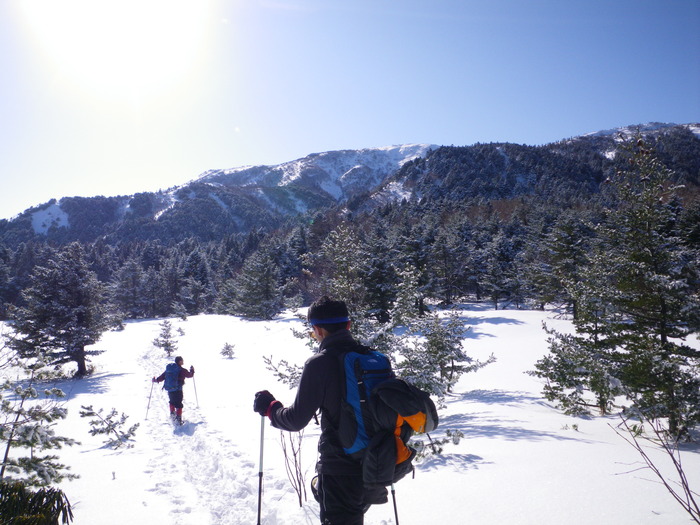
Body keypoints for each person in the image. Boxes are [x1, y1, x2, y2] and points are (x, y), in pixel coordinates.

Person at [254, 296, 388, 525]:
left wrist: (270, 408)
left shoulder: (319, 363)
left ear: (317, 330)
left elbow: (295, 420)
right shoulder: (375, 358)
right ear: (348, 325)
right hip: (377, 464)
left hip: (340, 469)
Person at [153, 356, 194, 424]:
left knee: (172, 402)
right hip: (178, 390)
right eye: (182, 360)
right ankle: (178, 420)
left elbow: (162, 377)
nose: (183, 361)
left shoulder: (169, 369)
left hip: (170, 389)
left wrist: (156, 380)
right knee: (179, 404)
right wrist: (192, 370)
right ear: (180, 361)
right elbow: (190, 375)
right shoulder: (181, 370)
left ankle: (172, 415)